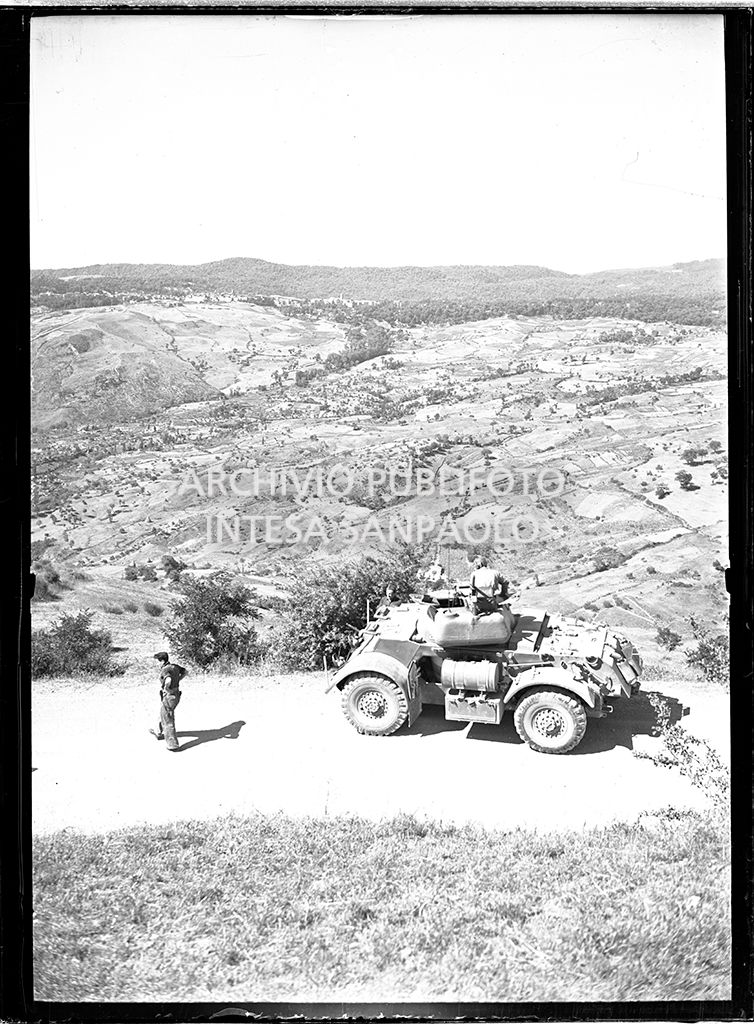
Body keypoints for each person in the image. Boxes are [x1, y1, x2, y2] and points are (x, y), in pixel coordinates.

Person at [150, 651, 187, 752]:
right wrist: (178, 680)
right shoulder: (174, 666)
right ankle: (158, 731)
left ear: (161, 661)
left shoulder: (166, 670)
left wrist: (168, 689)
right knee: (164, 713)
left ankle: (173, 744)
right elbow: (185, 672)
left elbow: (168, 680)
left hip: (169, 695)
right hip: (176, 694)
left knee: (168, 719)